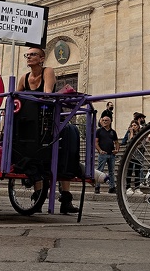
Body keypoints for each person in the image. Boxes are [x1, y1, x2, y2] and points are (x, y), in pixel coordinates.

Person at [14, 46, 82, 215]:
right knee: (33, 152)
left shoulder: (48, 71)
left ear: (42, 58)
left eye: (33, 55)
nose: (29, 57)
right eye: (27, 55)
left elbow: (48, 93)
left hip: (47, 118)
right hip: (30, 122)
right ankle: (37, 196)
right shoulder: (24, 78)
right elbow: (15, 97)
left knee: (68, 138)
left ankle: (65, 197)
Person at [94, 114, 118, 195]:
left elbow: (117, 142)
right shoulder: (99, 131)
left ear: (110, 121)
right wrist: (100, 150)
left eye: (106, 120)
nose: (104, 122)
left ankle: (112, 187)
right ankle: (97, 187)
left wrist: (117, 150)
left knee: (111, 171)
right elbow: (96, 142)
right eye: (103, 120)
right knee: (100, 170)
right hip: (103, 154)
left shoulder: (113, 132)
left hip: (111, 154)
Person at [122, 117, 142, 194]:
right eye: (132, 125)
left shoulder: (141, 133)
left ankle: (137, 188)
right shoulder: (129, 134)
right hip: (130, 155)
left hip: (139, 156)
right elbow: (130, 143)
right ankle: (128, 187)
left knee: (137, 171)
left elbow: (141, 144)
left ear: (138, 126)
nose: (133, 127)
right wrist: (131, 133)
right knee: (129, 171)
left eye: (135, 125)